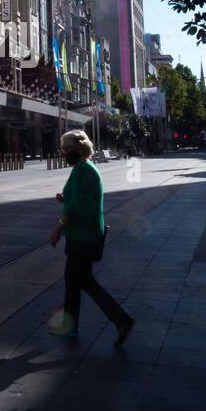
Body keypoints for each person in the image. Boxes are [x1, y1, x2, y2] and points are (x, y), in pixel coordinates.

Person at [48, 129, 134, 345]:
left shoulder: (82, 170)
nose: (64, 153)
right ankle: (77, 325)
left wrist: (58, 228)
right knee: (79, 281)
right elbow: (77, 196)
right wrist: (65, 197)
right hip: (86, 234)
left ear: (77, 149)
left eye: (66, 149)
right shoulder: (85, 168)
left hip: (82, 236)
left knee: (77, 280)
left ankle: (117, 320)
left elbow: (77, 205)